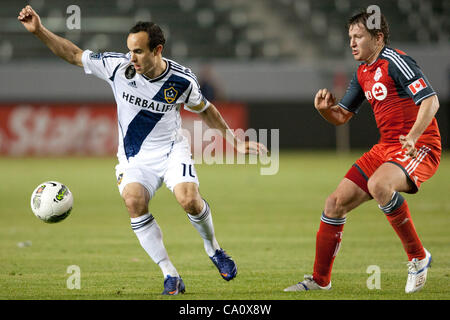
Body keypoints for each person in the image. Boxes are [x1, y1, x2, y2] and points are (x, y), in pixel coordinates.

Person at [18, 5, 267, 295]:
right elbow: (74, 54)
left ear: (157, 50)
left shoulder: (181, 80)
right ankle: (170, 274)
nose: (131, 57)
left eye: (138, 51)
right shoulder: (118, 67)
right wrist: (39, 31)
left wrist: (235, 142)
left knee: (189, 200)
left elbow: (207, 110)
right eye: (129, 49)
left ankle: (214, 249)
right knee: (134, 202)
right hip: (134, 158)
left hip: (172, 151)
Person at [284, 10, 440, 293]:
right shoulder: (362, 71)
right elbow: (342, 116)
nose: (352, 43)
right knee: (334, 204)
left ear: (378, 38)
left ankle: (418, 257)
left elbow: (431, 100)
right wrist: (324, 111)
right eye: (350, 38)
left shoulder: (395, 61)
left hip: (420, 144)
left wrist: (415, 136)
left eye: (358, 37)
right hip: (386, 147)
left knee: (379, 184)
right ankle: (320, 281)